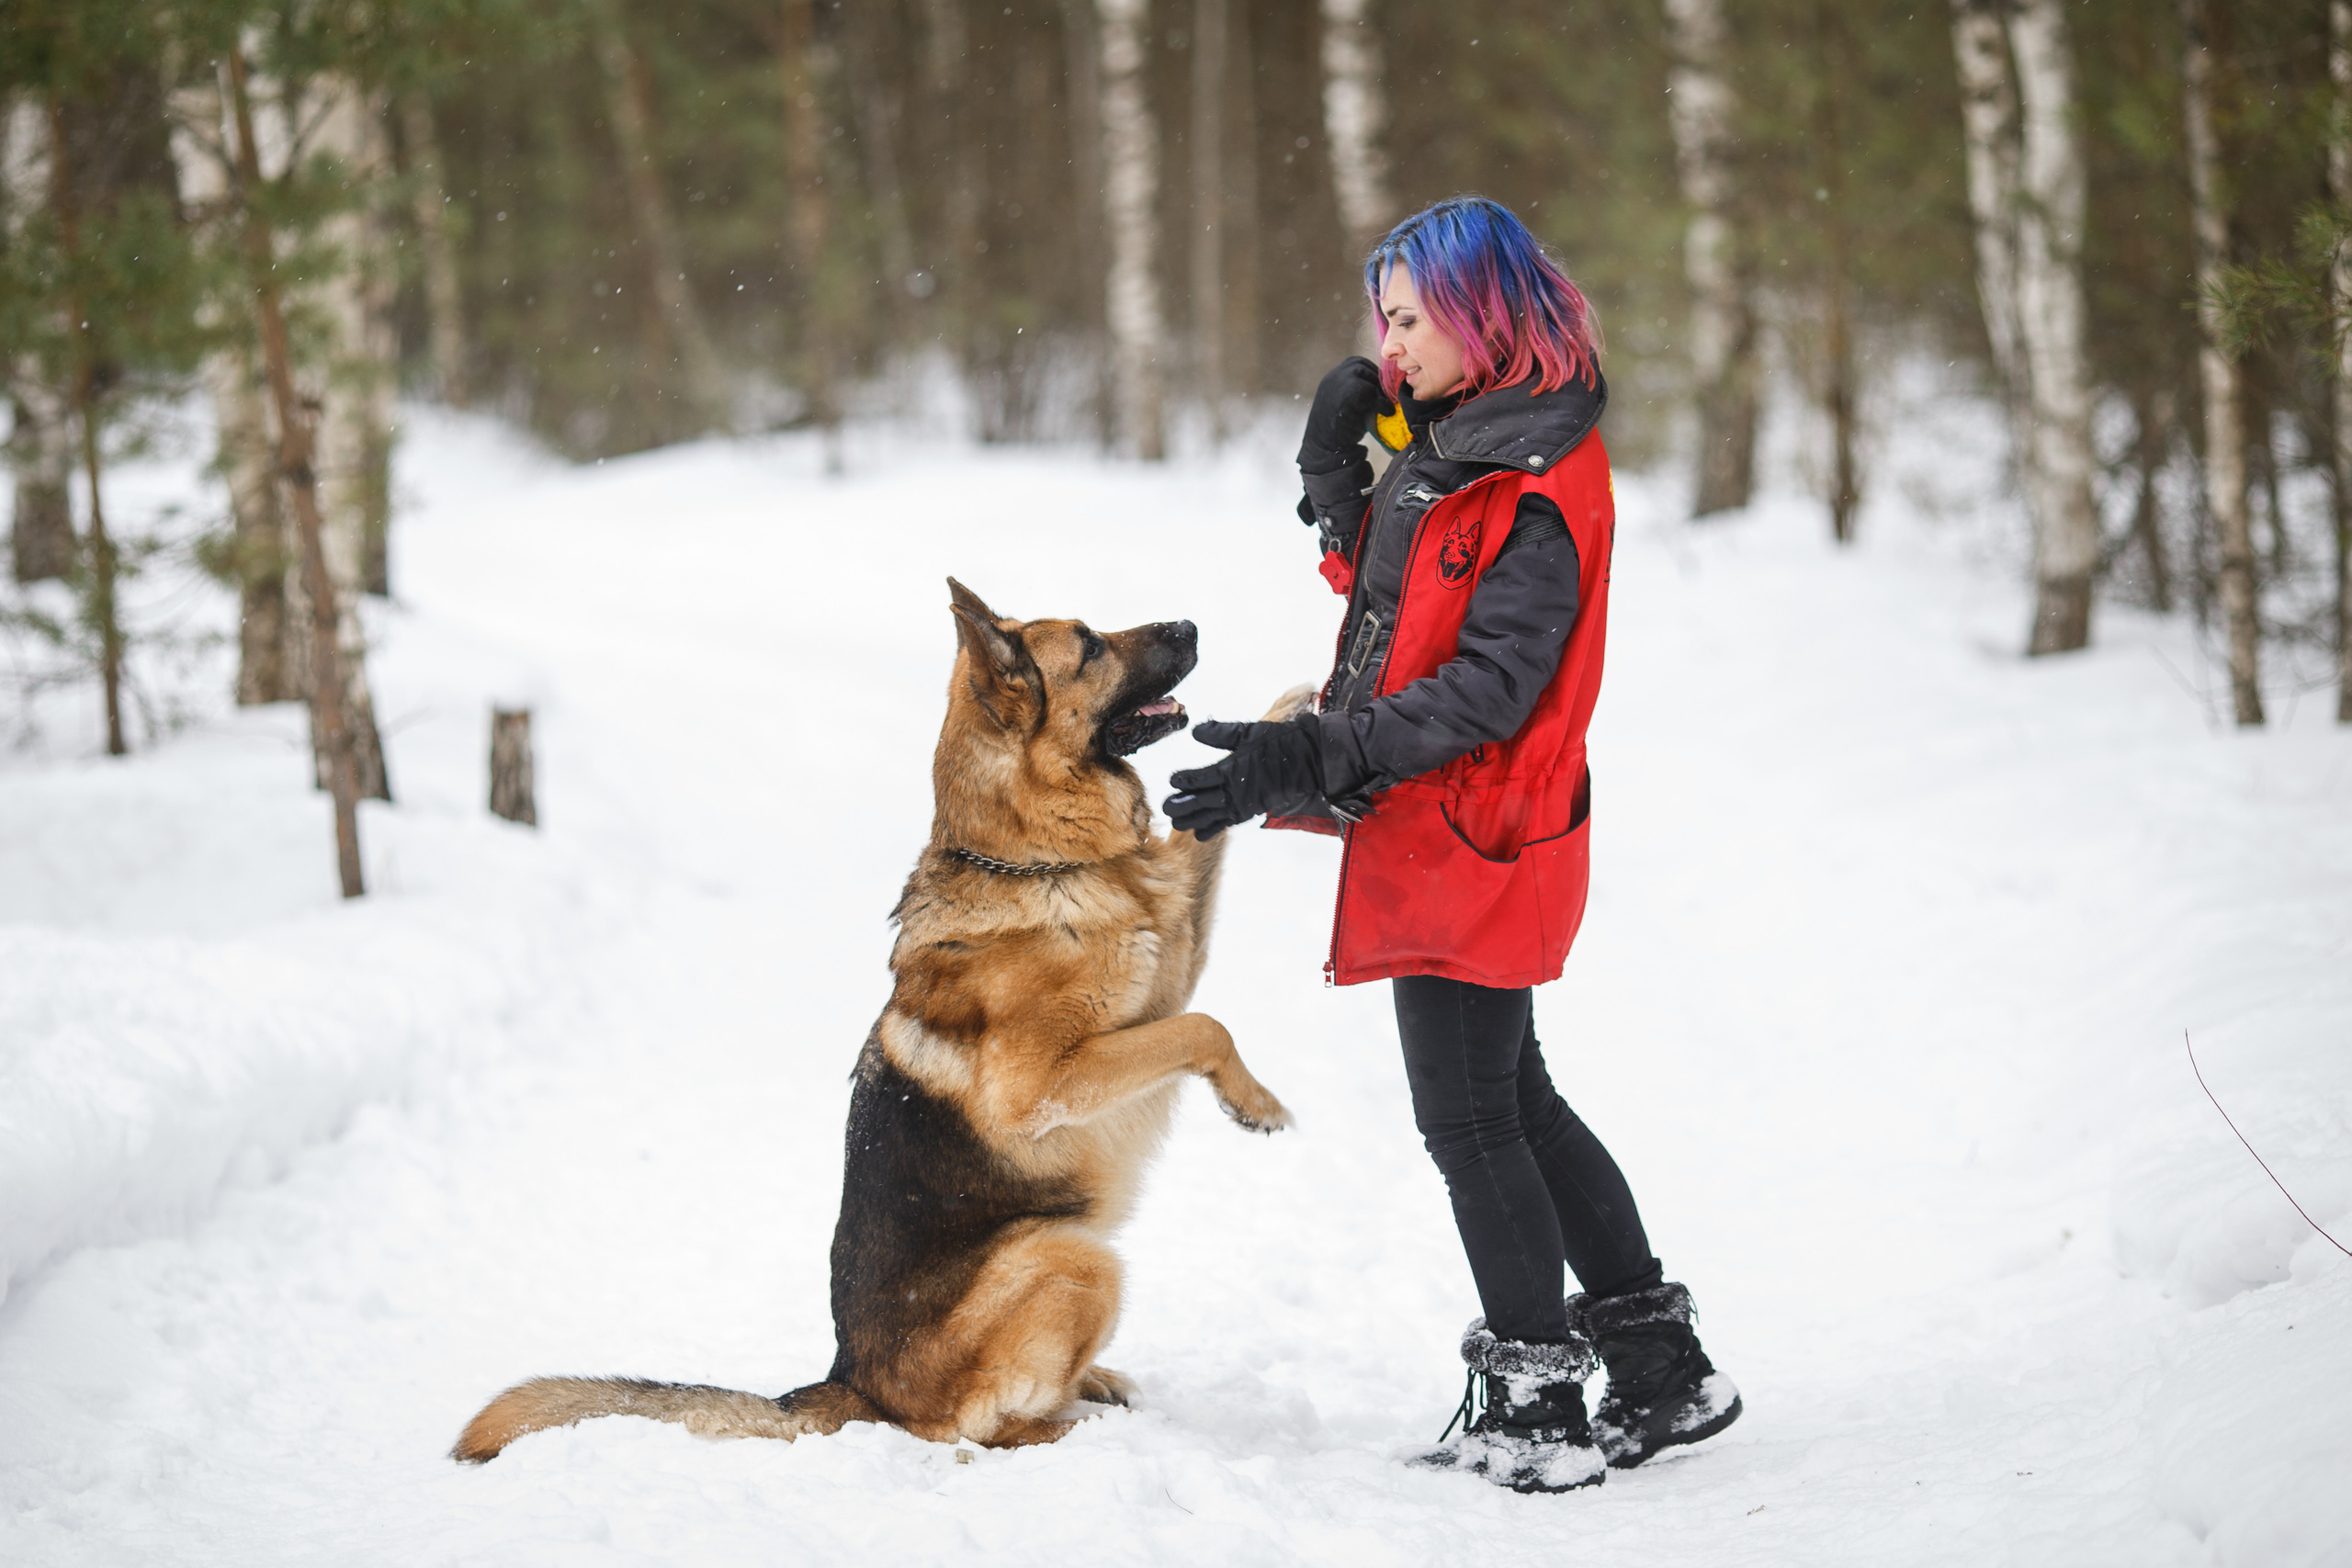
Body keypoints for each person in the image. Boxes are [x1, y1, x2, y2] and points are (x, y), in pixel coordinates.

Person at [1163, 197, 1740, 1495]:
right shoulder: (1474, 440)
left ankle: (1536, 1413)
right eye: (1385, 322)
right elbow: (1410, 607)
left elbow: (1487, 688)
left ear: (1482, 317)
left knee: (1472, 1120)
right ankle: (1660, 1369)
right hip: (1449, 820)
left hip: (1478, 826)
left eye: (1413, 320)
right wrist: (1338, 482)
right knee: (1516, 1103)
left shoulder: (1532, 479)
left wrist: (1310, 755)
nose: (1392, 346)